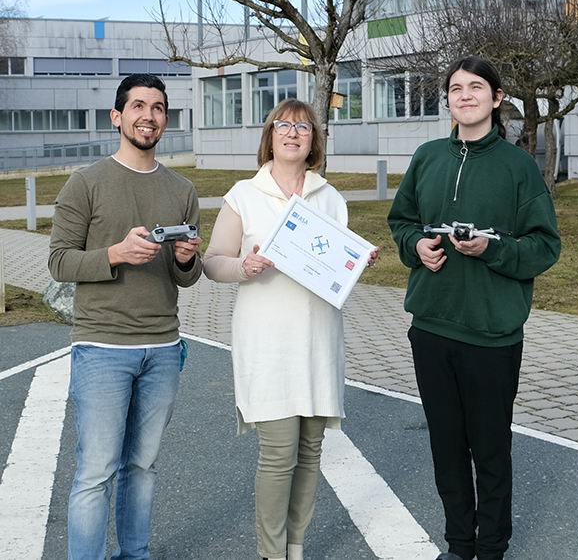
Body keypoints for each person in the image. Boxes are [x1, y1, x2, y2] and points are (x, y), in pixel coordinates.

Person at [387, 56, 561, 560]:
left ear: (497, 97)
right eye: (456, 88)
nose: (464, 95)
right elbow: (401, 223)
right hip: (432, 327)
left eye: (476, 87)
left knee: (489, 451)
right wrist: (416, 246)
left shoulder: (518, 165)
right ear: (447, 99)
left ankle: (491, 549)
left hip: (491, 333)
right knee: (446, 449)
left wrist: (494, 250)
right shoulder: (426, 157)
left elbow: (545, 247)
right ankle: (458, 546)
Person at [203, 97, 378, 560]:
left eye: (303, 127)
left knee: (310, 454)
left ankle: (294, 547)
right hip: (267, 343)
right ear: (270, 136)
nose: (293, 133)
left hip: (319, 340)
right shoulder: (243, 194)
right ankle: (270, 552)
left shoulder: (329, 197)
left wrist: (357, 259)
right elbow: (213, 262)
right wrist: (245, 265)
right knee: (279, 455)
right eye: (284, 125)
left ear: (314, 139)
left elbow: (335, 269)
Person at [48, 73, 202, 560]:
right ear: (118, 117)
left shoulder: (183, 189)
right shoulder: (86, 182)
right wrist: (113, 253)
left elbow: (188, 278)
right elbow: (58, 262)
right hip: (101, 348)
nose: (148, 116)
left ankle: (134, 555)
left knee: (143, 466)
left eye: (158, 108)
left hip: (162, 347)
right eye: (138, 106)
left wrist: (183, 259)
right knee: (96, 472)